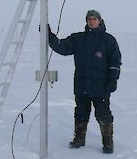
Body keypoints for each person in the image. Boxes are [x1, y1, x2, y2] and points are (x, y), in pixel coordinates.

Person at [48, 10, 122, 154]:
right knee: (81, 113)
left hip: (101, 86)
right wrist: (49, 36)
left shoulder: (108, 40)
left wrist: (113, 80)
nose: (92, 21)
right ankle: (79, 138)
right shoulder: (78, 39)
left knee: (103, 115)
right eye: (89, 19)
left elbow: (115, 62)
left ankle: (108, 142)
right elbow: (62, 47)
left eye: (94, 19)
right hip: (81, 85)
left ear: (100, 20)